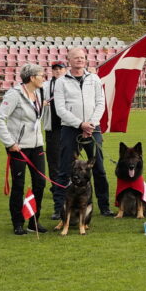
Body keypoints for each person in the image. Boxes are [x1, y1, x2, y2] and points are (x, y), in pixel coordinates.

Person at [53, 47, 114, 217]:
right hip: (70, 129)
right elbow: (60, 109)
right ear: (69, 60)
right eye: (76, 58)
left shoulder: (94, 78)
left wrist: (91, 124)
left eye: (82, 57)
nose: (80, 60)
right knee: (65, 169)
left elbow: (100, 102)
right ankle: (60, 208)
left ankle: (104, 206)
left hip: (93, 129)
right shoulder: (61, 81)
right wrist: (80, 124)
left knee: (99, 169)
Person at [0, 63, 48, 235]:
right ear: (32, 78)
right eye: (41, 75)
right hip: (18, 148)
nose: (44, 78)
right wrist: (9, 143)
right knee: (19, 185)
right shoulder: (14, 95)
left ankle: (34, 221)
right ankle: (17, 222)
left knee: (40, 183)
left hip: (37, 145)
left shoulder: (38, 93)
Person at [42, 61, 67, 220]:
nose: (57, 71)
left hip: (68, 128)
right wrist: (41, 103)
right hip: (52, 129)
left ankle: (71, 191)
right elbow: (36, 101)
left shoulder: (69, 84)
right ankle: (56, 190)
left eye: (60, 69)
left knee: (69, 161)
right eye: (55, 69)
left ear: (65, 70)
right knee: (53, 162)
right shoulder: (45, 86)